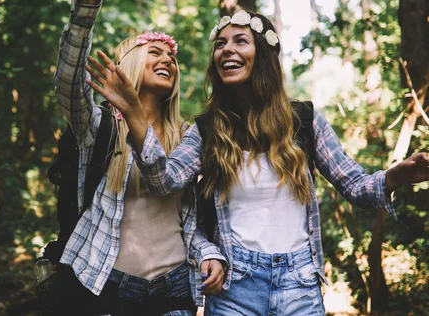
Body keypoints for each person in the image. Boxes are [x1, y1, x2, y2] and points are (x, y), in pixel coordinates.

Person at [86, 9, 429, 315]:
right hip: (236, 285)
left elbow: (355, 185)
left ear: (262, 56)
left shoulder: (305, 121)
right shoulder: (206, 130)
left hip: (300, 283)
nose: (227, 50)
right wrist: (133, 114)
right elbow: (165, 181)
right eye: (220, 44)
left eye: (240, 41)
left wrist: (395, 176)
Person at [52, 0, 227, 314]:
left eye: (172, 57)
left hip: (175, 292)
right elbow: (68, 84)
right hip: (106, 288)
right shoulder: (100, 127)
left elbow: (187, 223)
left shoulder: (189, 135)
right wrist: (85, 14)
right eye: (155, 53)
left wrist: (207, 253)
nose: (168, 60)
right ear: (129, 64)